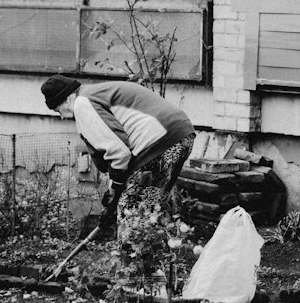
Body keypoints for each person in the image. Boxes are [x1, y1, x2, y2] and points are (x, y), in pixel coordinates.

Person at [40, 75, 195, 232]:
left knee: (130, 212)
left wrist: (116, 189)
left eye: (57, 109)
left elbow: (118, 152)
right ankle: (164, 250)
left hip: (158, 141)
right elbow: (119, 155)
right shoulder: (95, 93)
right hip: (180, 135)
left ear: (67, 99)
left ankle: (131, 255)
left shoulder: (82, 103)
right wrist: (113, 187)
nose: (61, 116)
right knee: (153, 206)